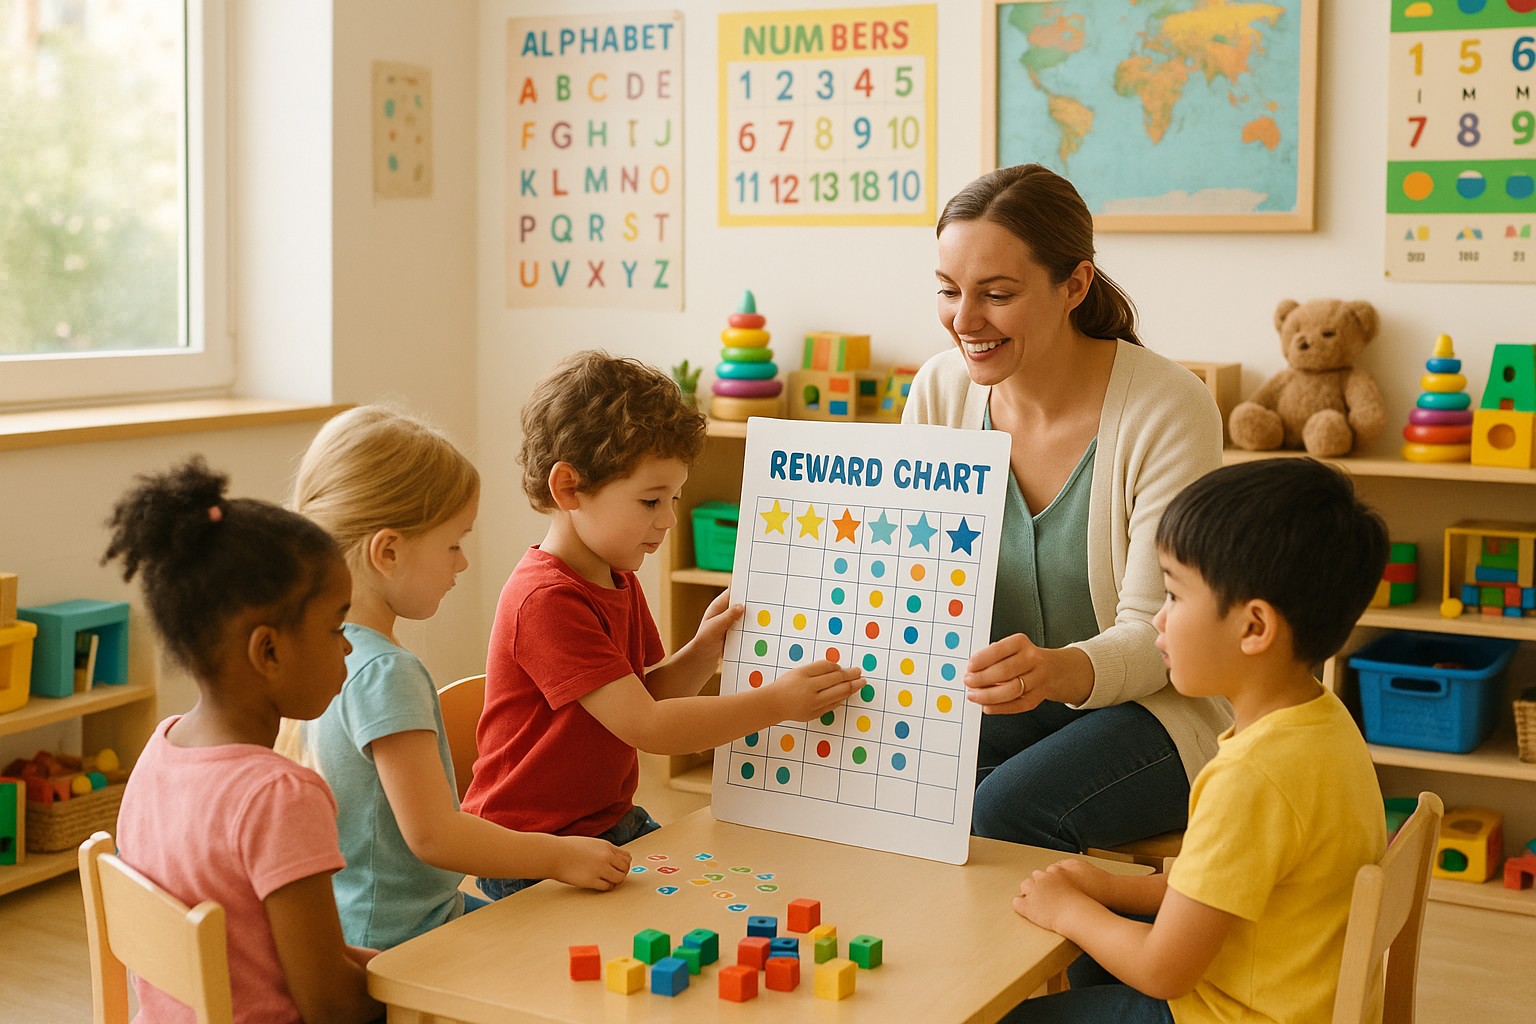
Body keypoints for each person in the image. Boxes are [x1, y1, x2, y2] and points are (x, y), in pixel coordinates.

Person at [904, 163, 1232, 851]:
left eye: (996, 294)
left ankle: (1122, 962)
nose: (964, 321)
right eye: (947, 290)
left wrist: (1054, 671)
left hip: (1152, 711)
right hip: (997, 705)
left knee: (1003, 812)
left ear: (1075, 285)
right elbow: (911, 576)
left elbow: (1159, 635)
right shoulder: (939, 389)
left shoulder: (1167, 408)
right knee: (907, 791)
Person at [463, 351, 863, 899]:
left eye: (673, 498)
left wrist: (702, 653)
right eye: (651, 500)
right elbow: (648, 727)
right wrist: (777, 705)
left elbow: (644, 694)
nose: (670, 519)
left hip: (606, 824)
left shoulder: (613, 573)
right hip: (531, 848)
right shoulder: (546, 599)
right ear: (569, 489)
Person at [1005, 457, 1390, 1024]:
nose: (1157, 621)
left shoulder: (1250, 779)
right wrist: (1108, 887)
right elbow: (1216, 893)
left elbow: (1164, 972)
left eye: (1176, 597)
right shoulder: (1322, 722)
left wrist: (1069, 912)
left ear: (1253, 628)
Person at [289, 406, 629, 949]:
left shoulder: (324, 651)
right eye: (453, 544)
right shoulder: (386, 673)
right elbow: (434, 835)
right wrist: (558, 855)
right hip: (399, 941)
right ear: (388, 551)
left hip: (362, 920)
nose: (462, 564)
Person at [106, 457, 381, 1024]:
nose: (349, 648)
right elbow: (331, 1006)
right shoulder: (279, 795)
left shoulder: (160, 753)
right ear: (269, 651)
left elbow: (254, 946)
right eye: (336, 628)